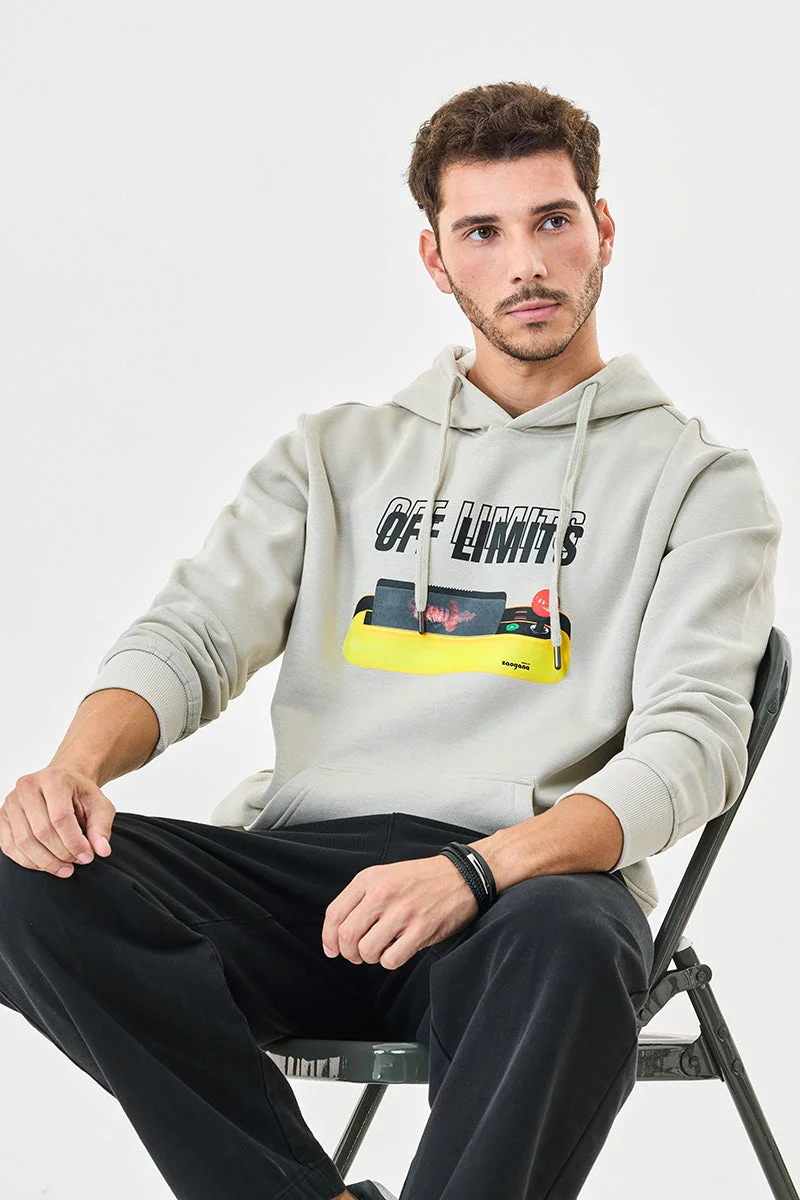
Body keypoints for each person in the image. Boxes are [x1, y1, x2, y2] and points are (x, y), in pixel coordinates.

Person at [0, 80, 780, 1200]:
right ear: (435, 258)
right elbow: (192, 634)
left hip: (521, 886)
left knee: (577, 938)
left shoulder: (698, 484)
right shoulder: (335, 454)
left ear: (602, 229)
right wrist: (72, 773)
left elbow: (691, 749)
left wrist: (477, 868)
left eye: (552, 220)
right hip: (305, 884)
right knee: (20, 873)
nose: (525, 264)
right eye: (483, 232)